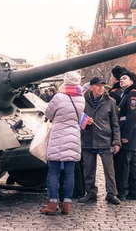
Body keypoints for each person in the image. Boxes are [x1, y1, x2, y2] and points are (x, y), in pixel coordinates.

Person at [40, 71, 86, 215]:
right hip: (73, 138)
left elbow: (48, 114)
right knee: (69, 173)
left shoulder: (59, 97)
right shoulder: (81, 98)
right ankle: (66, 204)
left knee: (53, 172)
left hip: (58, 137)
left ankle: (52, 204)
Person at [78, 77, 122, 205]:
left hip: (105, 140)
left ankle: (111, 194)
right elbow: (77, 119)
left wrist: (116, 141)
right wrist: (84, 122)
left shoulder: (110, 102)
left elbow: (115, 123)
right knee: (89, 169)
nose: (101, 88)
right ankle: (90, 192)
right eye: (98, 85)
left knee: (109, 170)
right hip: (88, 139)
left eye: (102, 86)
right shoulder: (82, 101)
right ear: (91, 87)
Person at [114, 70, 136, 201]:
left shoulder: (132, 95)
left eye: (124, 78)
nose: (121, 80)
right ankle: (134, 191)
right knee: (132, 162)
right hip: (129, 131)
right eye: (120, 79)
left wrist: (125, 135)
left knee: (125, 163)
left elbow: (131, 116)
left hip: (129, 131)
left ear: (132, 81)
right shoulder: (127, 93)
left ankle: (124, 191)